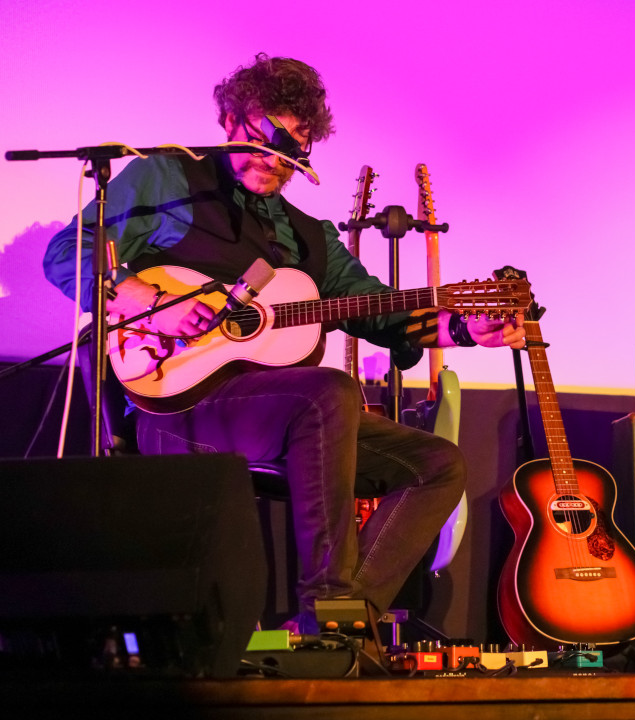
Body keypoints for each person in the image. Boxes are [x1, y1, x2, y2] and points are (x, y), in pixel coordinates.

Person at [43, 54, 525, 634]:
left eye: (293, 145)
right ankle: (328, 602)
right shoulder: (167, 179)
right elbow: (68, 252)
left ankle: (347, 620)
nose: (275, 159)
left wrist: (467, 329)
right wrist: (147, 302)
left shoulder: (308, 236)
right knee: (329, 390)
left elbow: (385, 314)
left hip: (284, 414)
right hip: (174, 408)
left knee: (439, 464)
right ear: (227, 121)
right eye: (263, 135)